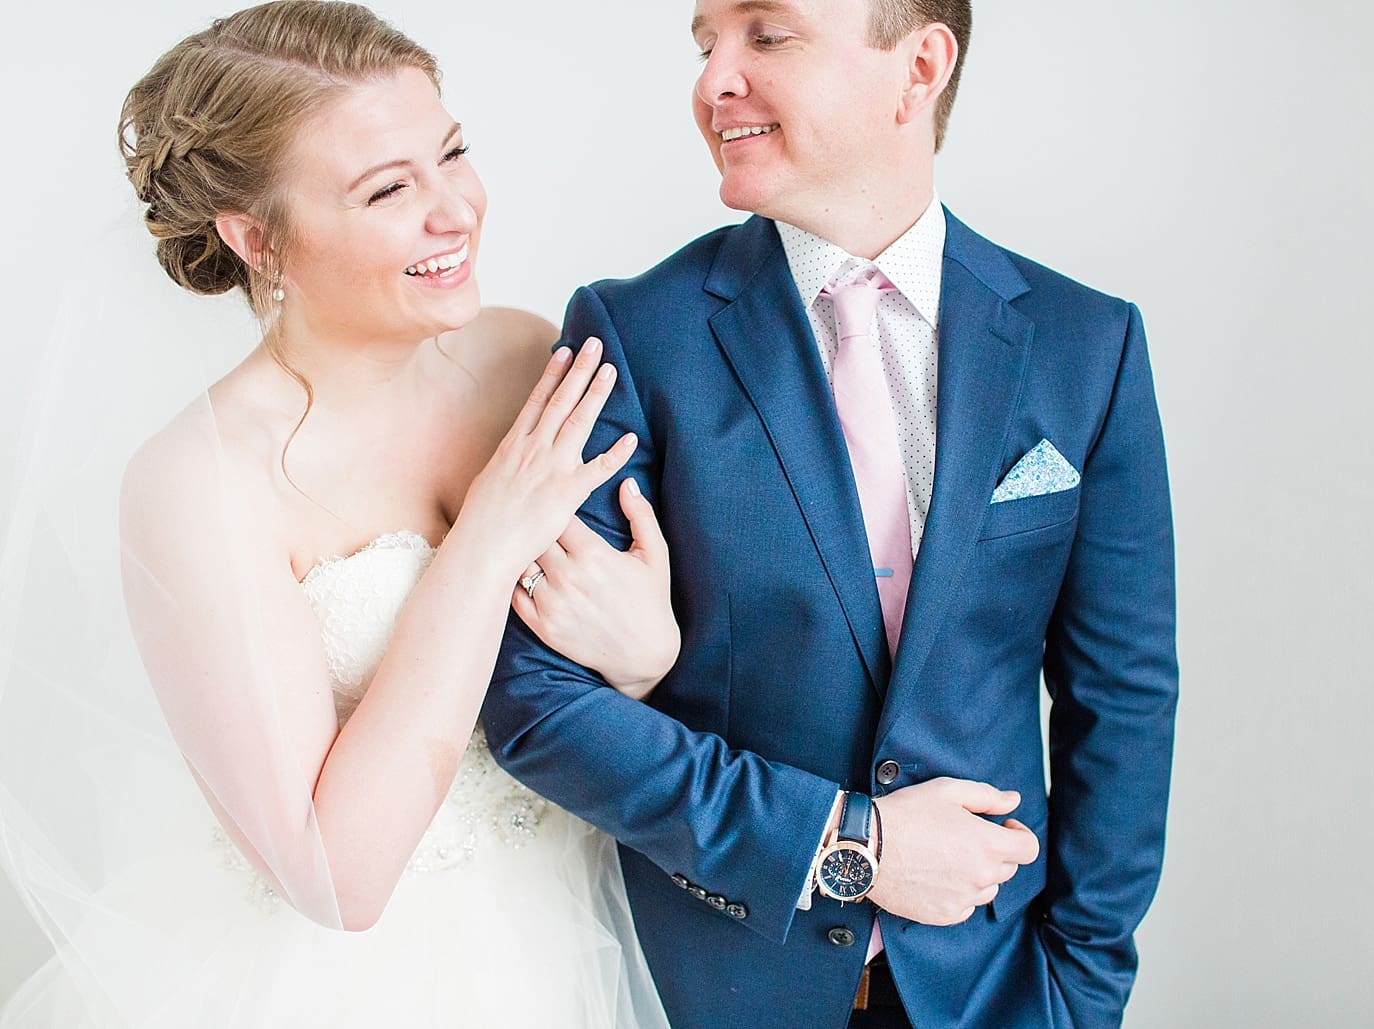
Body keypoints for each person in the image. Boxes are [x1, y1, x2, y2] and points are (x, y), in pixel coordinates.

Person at [483, 1, 1179, 1026]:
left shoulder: (1087, 344)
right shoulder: (637, 335)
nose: (714, 79)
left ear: (919, 64)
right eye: (704, 42)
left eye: (766, 35)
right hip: (716, 989)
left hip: (996, 992)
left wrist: (1080, 987)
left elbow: (1122, 699)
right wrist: (847, 845)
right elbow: (535, 704)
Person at [0, 2, 670, 1025]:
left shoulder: (522, 356)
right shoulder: (198, 483)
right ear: (257, 237)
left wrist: (645, 658)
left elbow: (612, 683)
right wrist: (483, 542)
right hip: (349, 983)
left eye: (452, 154)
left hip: (587, 926)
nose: (454, 210)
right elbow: (333, 879)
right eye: (389, 189)